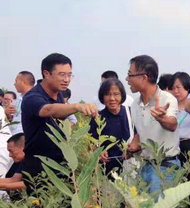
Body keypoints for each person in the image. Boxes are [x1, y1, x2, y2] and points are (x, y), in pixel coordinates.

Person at [21, 53, 98, 193]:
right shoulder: (32, 97)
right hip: (39, 166)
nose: (66, 80)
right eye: (62, 75)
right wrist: (76, 107)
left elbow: (61, 117)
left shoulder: (59, 94)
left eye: (69, 75)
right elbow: (48, 110)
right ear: (46, 73)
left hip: (61, 163)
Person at [126, 55, 180, 197]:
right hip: (145, 167)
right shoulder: (135, 104)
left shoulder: (167, 99)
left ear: (144, 77)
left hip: (164, 168)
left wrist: (162, 119)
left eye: (130, 75)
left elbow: (172, 124)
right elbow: (140, 132)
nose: (127, 79)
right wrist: (134, 145)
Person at [89, 79, 134, 178]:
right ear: (102, 97)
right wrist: (98, 152)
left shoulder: (131, 113)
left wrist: (132, 150)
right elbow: (91, 142)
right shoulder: (97, 117)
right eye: (108, 94)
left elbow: (139, 137)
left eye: (116, 94)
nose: (112, 98)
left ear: (122, 95)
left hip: (131, 168)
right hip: (106, 171)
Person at [168, 72, 190, 168]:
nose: (176, 91)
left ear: (187, 87)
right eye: (173, 88)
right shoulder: (170, 108)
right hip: (173, 148)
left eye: (178, 87)